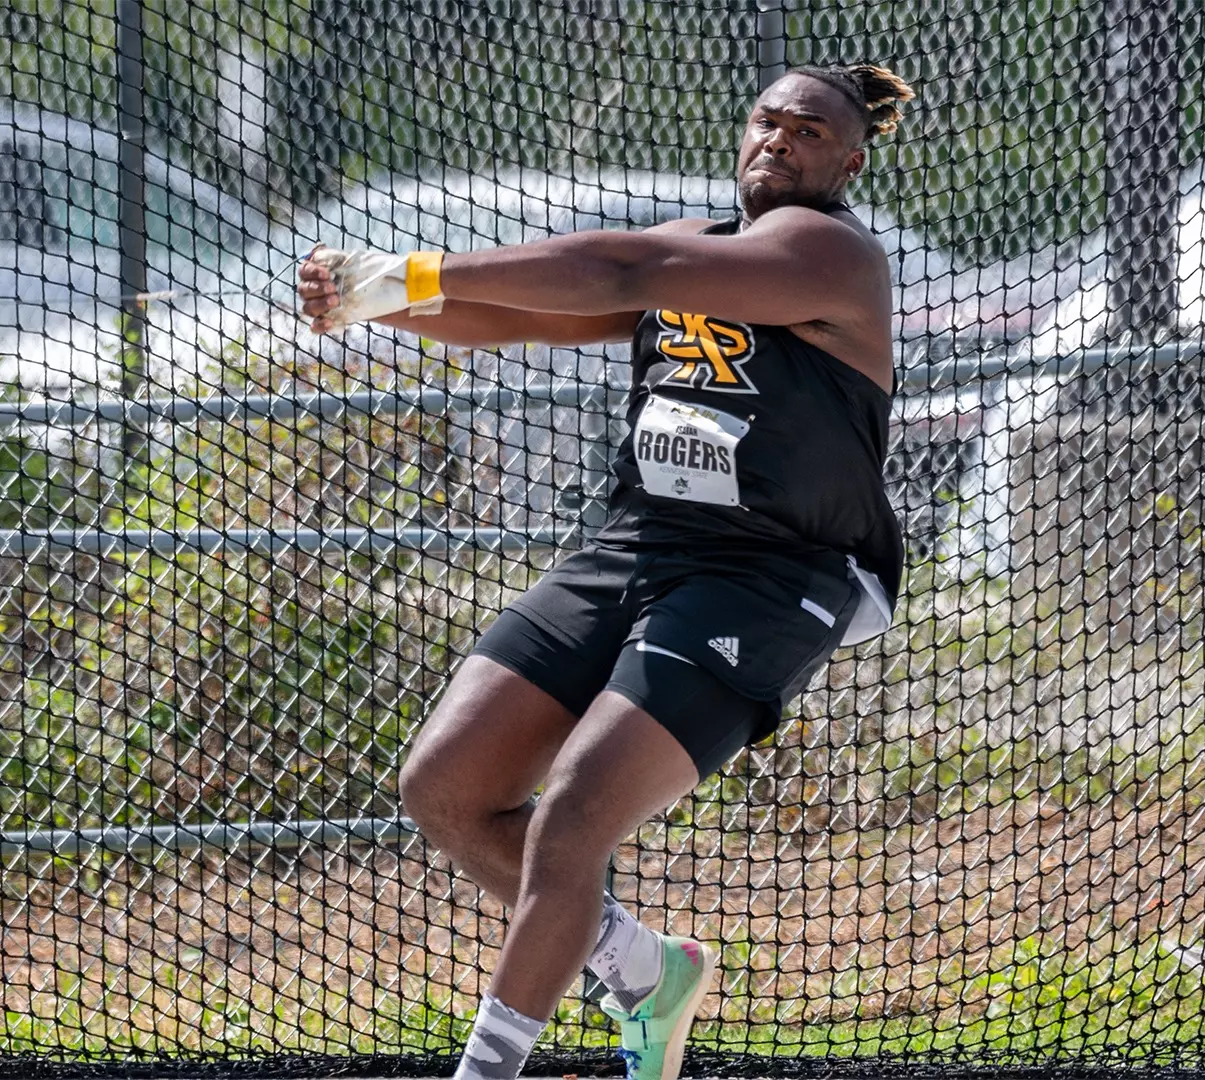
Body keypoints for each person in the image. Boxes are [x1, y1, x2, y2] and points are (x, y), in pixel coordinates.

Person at [294, 64, 916, 1080]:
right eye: (767, 121)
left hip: (769, 573)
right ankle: (641, 965)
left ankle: (486, 1070)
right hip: (637, 545)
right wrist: (374, 301)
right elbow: (522, 319)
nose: (778, 141)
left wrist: (406, 271)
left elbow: (621, 269)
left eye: (808, 133)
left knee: (578, 811)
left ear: (847, 162)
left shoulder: (828, 251)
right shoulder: (700, 259)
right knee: (448, 788)